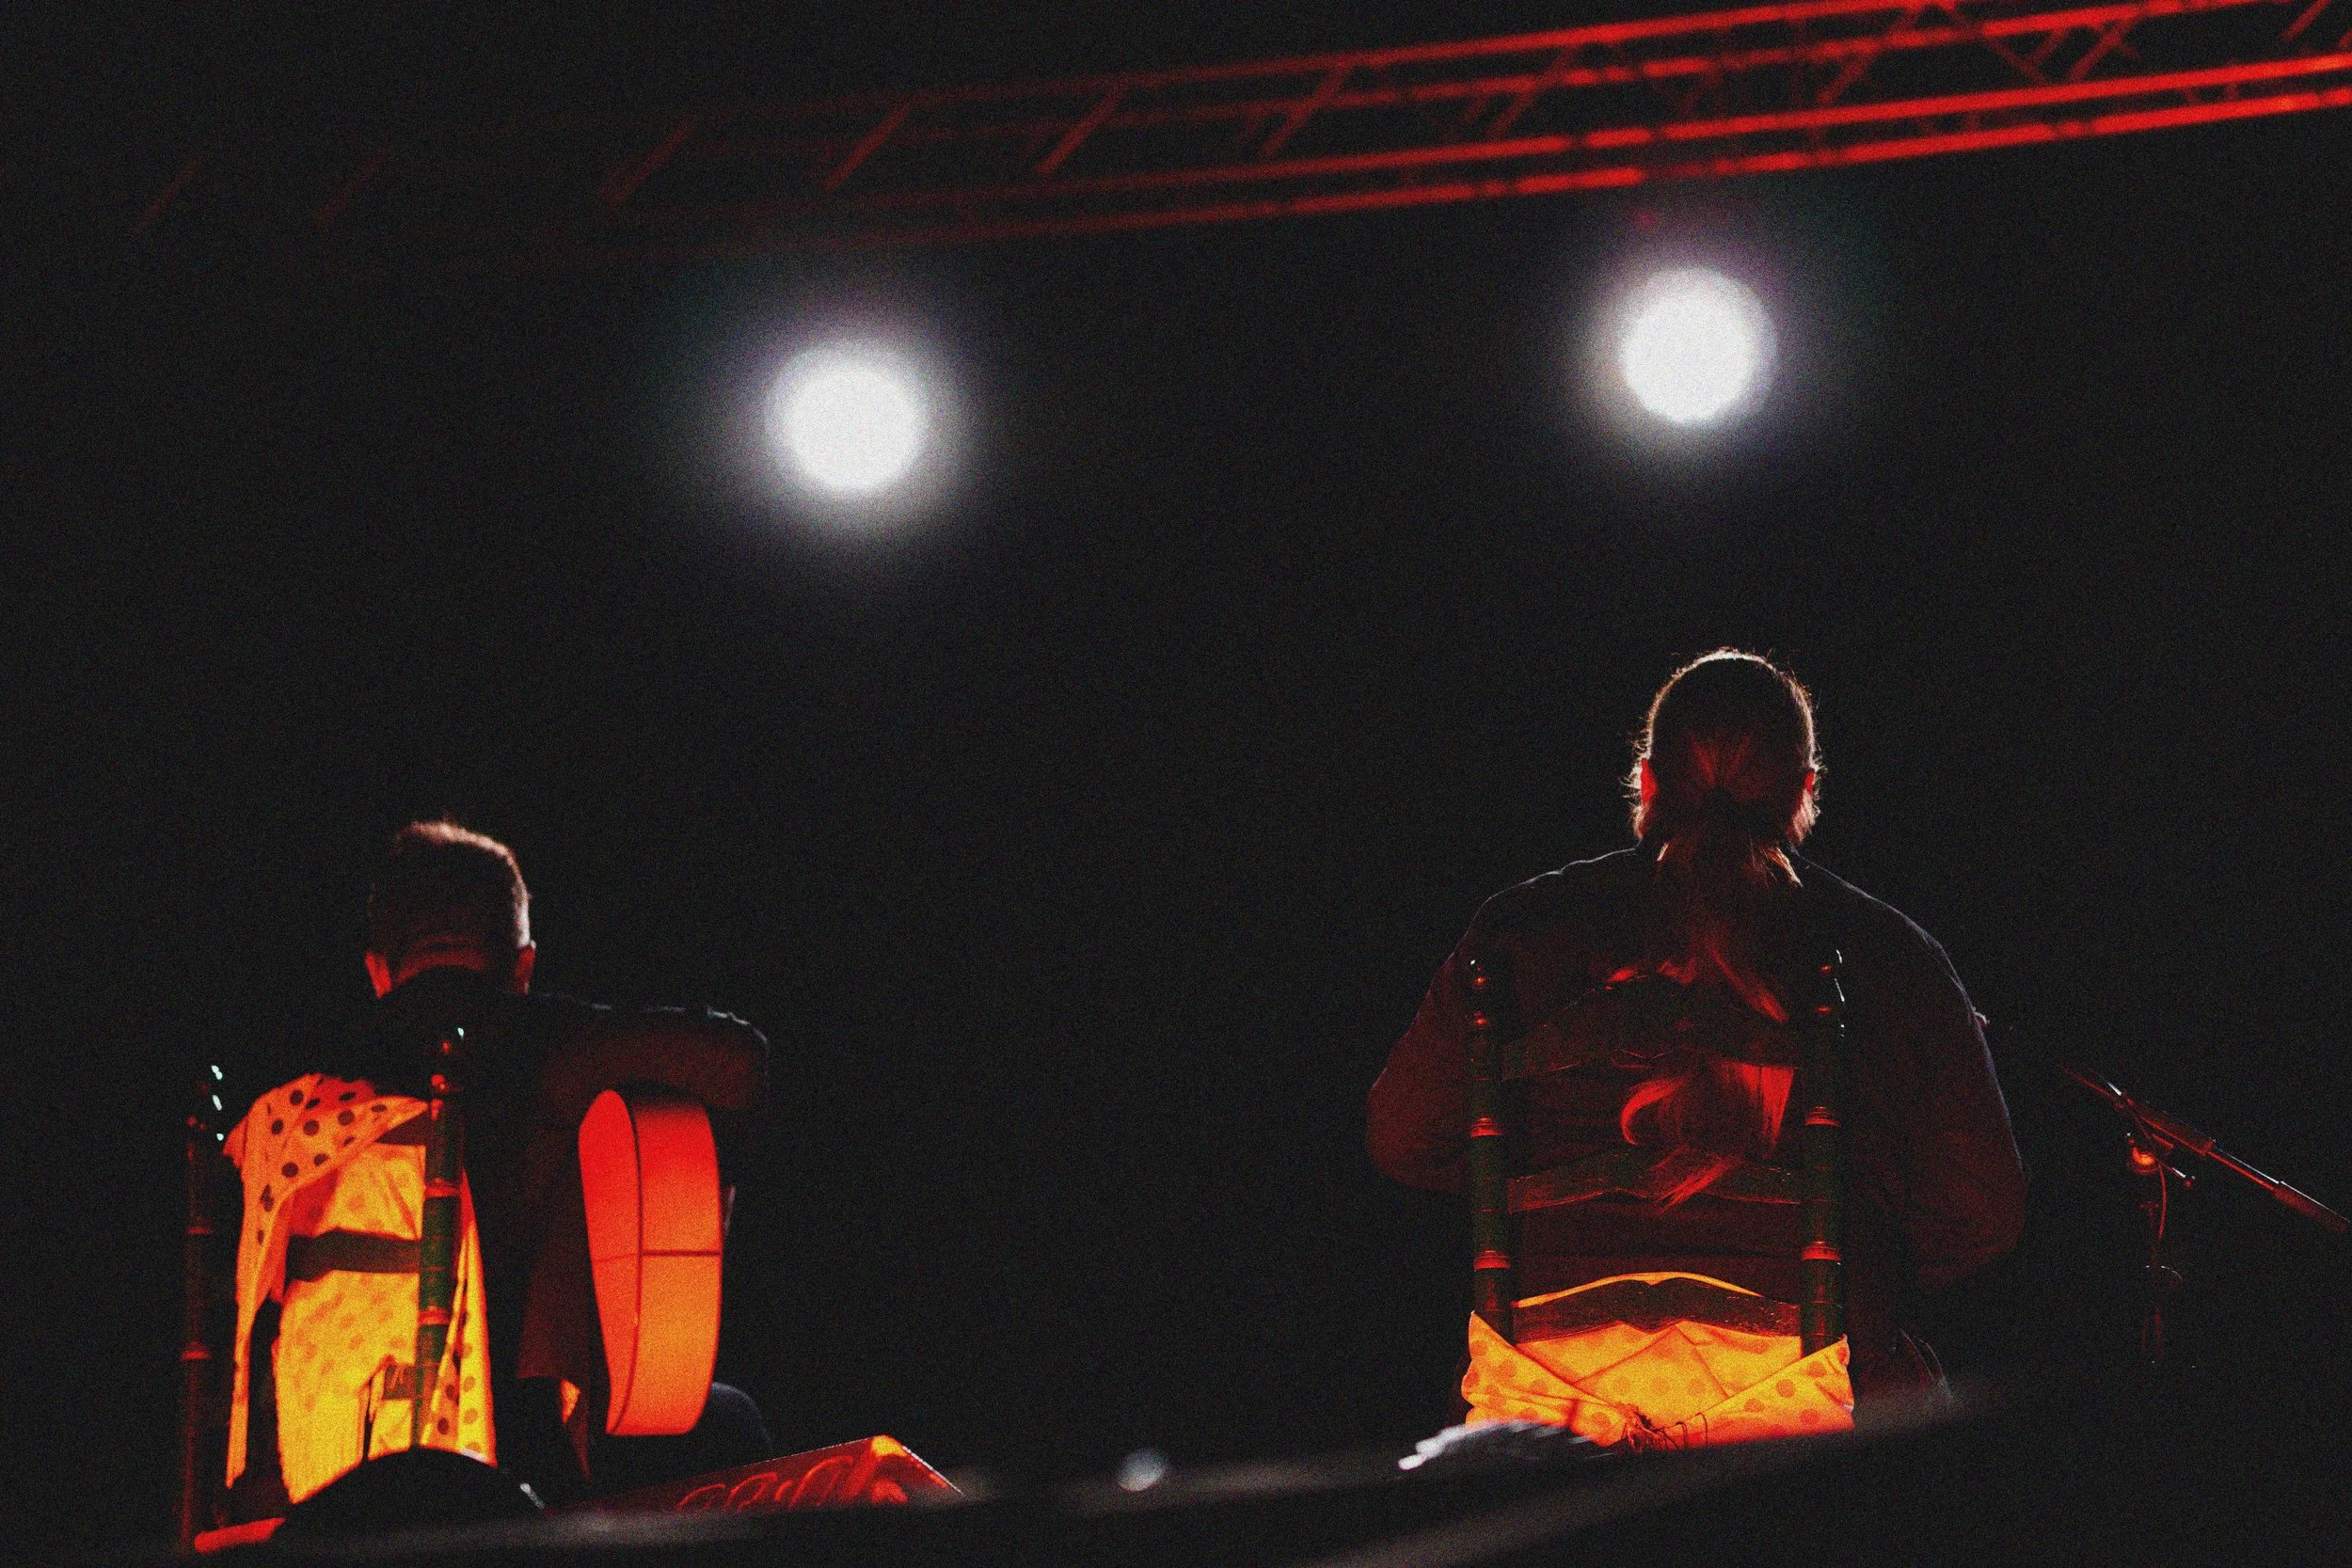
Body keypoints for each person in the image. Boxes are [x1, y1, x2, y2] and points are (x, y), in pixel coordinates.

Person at [1368, 651, 2026, 1447]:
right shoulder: (1892, 956)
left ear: (1647, 782)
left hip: (1547, 1405)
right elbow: (1984, 1216)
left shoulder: (1516, 932)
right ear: (1804, 793)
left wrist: (1530, 1188)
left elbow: (1400, 1138)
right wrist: (1864, 1243)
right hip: (1796, 1422)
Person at [223, 820, 771, 1515]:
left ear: (378, 971)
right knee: (729, 1419)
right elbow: (741, 1066)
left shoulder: (286, 1104)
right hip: (524, 1474)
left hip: (314, 1490)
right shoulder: (548, 1043)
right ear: (522, 965)